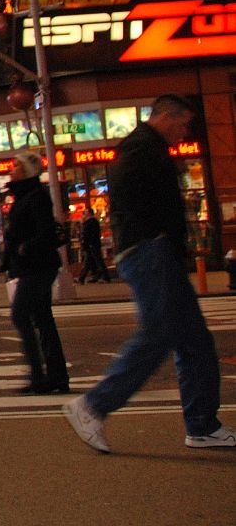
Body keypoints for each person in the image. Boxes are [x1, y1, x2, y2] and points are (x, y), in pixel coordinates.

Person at [63, 94, 234, 453]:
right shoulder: (142, 149)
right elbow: (135, 202)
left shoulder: (145, 148)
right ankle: (94, 405)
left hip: (154, 250)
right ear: (166, 117)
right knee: (159, 334)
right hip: (149, 250)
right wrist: (157, 237)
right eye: (183, 123)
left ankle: (202, 424)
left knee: (195, 341)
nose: (184, 132)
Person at [0, 151, 70, 395]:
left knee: (21, 314)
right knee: (42, 318)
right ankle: (55, 376)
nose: (12, 169)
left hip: (37, 266)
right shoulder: (23, 195)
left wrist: (24, 248)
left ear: (27, 171)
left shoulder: (36, 197)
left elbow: (44, 232)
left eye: (16, 166)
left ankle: (40, 376)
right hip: (32, 266)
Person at [76, 208, 110, 283]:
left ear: (90, 213)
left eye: (86, 212)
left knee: (96, 261)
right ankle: (88, 277)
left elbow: (88, 234)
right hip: (91, 244)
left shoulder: (91, 222)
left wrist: (87, 243)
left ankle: (104, 277)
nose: (84, 214)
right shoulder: (90, 222)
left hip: (92, 244)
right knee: (91, 261)